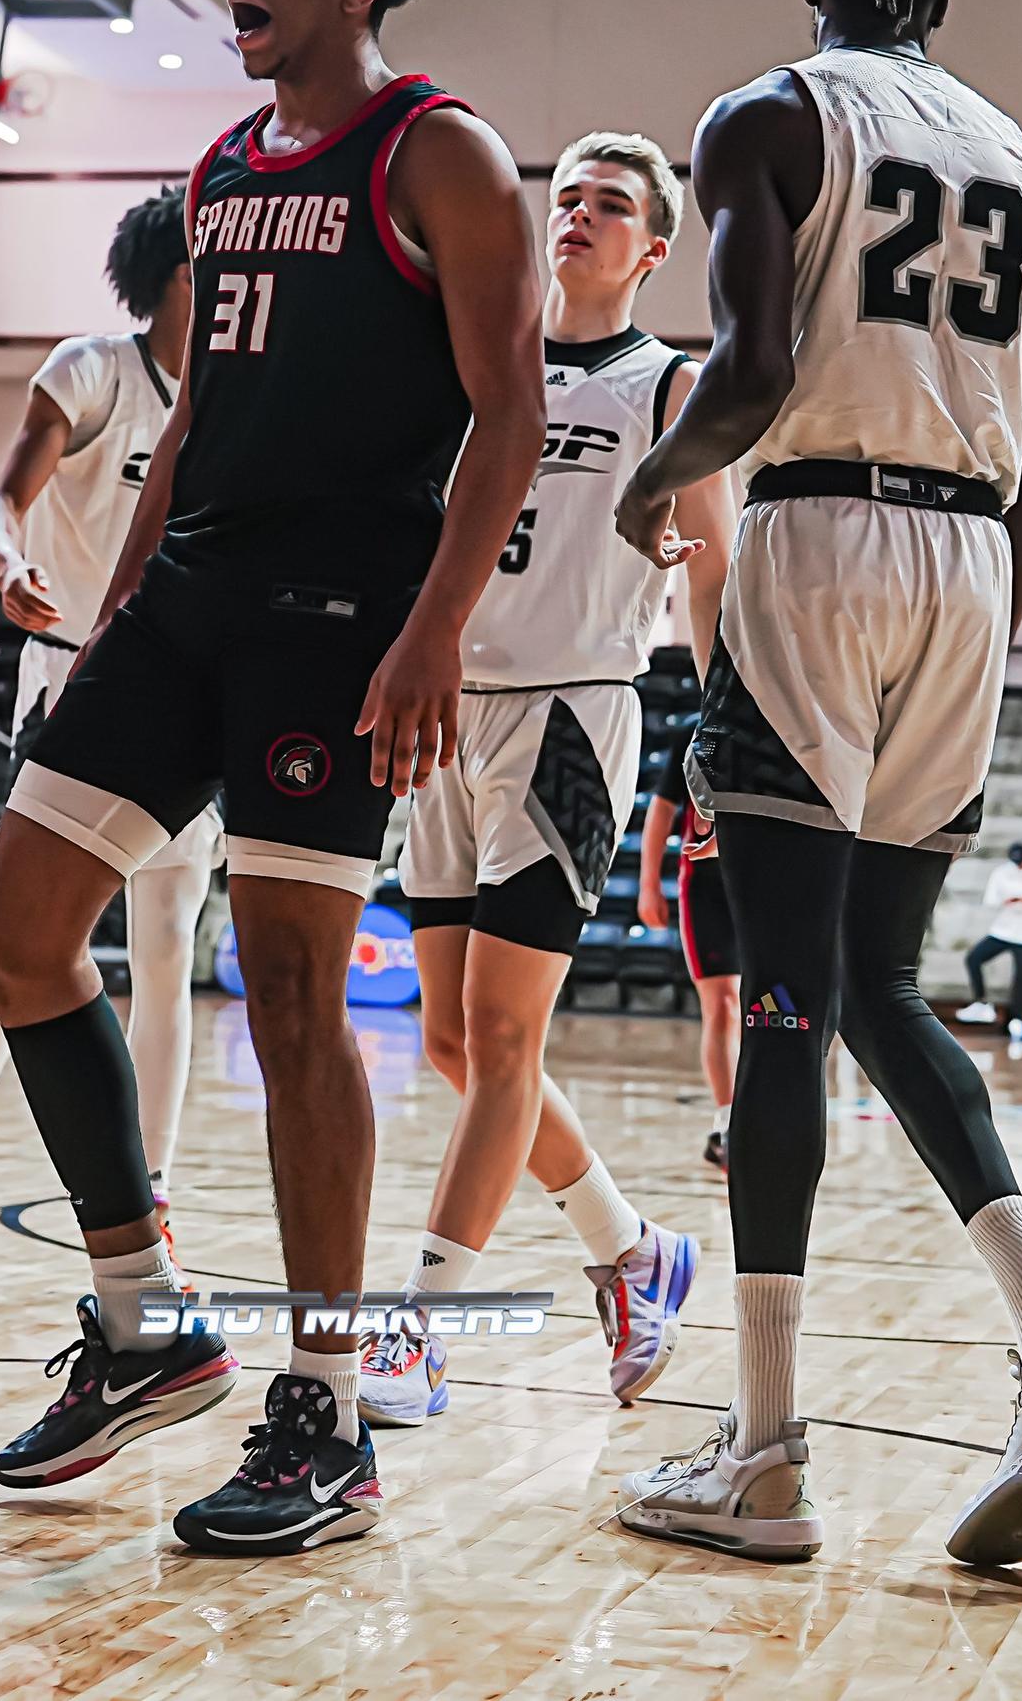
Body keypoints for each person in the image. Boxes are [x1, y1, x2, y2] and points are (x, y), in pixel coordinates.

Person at [0, 0, 544, 1554]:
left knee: (293, 995)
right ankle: (146, 1310)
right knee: (14, 922)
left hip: (342, 611)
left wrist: (433, 629)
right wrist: (132, 590)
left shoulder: (438, 150)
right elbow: (198, 413)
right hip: (193, 595)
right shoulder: (221, 167)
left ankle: (326, 1411)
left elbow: (505, 412)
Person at [613, 0, 1022, 1569]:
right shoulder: (1013, 156)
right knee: (872, 982)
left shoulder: (770, 115)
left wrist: (658, 481)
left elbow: (752, 373)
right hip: (976, 569)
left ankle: (765, 1449)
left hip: (822, 536)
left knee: (779, 992)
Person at [361, 132, 731, 1429]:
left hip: (574, 718)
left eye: (610, 203)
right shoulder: (486, 372)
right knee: (456, 1041)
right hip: (450, 716)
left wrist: (725, 744)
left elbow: (713, 576)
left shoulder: (669, 385)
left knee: (509, 1034)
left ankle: (419, 1324)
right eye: (565, 195)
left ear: (654, 247)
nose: (577, 214)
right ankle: (634, 1250)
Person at [0, 187, 222, 1283]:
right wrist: (3, 560)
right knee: (33, 935)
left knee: (172, 950)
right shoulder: (93, 369)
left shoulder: (231, 394)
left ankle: (154, 1189)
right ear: (180, 270)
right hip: (77, 677)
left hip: (190, 692)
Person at [640, 728, 738, 1171]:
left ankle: (758, 1115)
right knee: (723, 1005)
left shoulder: (780, 716)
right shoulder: (697, 732)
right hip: (705, 886)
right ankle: (728, 1124)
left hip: (762, 883)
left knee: (767, 1006)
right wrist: (648, 886)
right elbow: (660, 814)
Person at [957, 839, 1022, 1040]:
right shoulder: (1002, 873)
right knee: (974, 958)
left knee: (1021, 978)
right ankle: (981, 1002)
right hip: (1003, 929)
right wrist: (1008, 900)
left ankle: (1017, 1019)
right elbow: (990, 900)